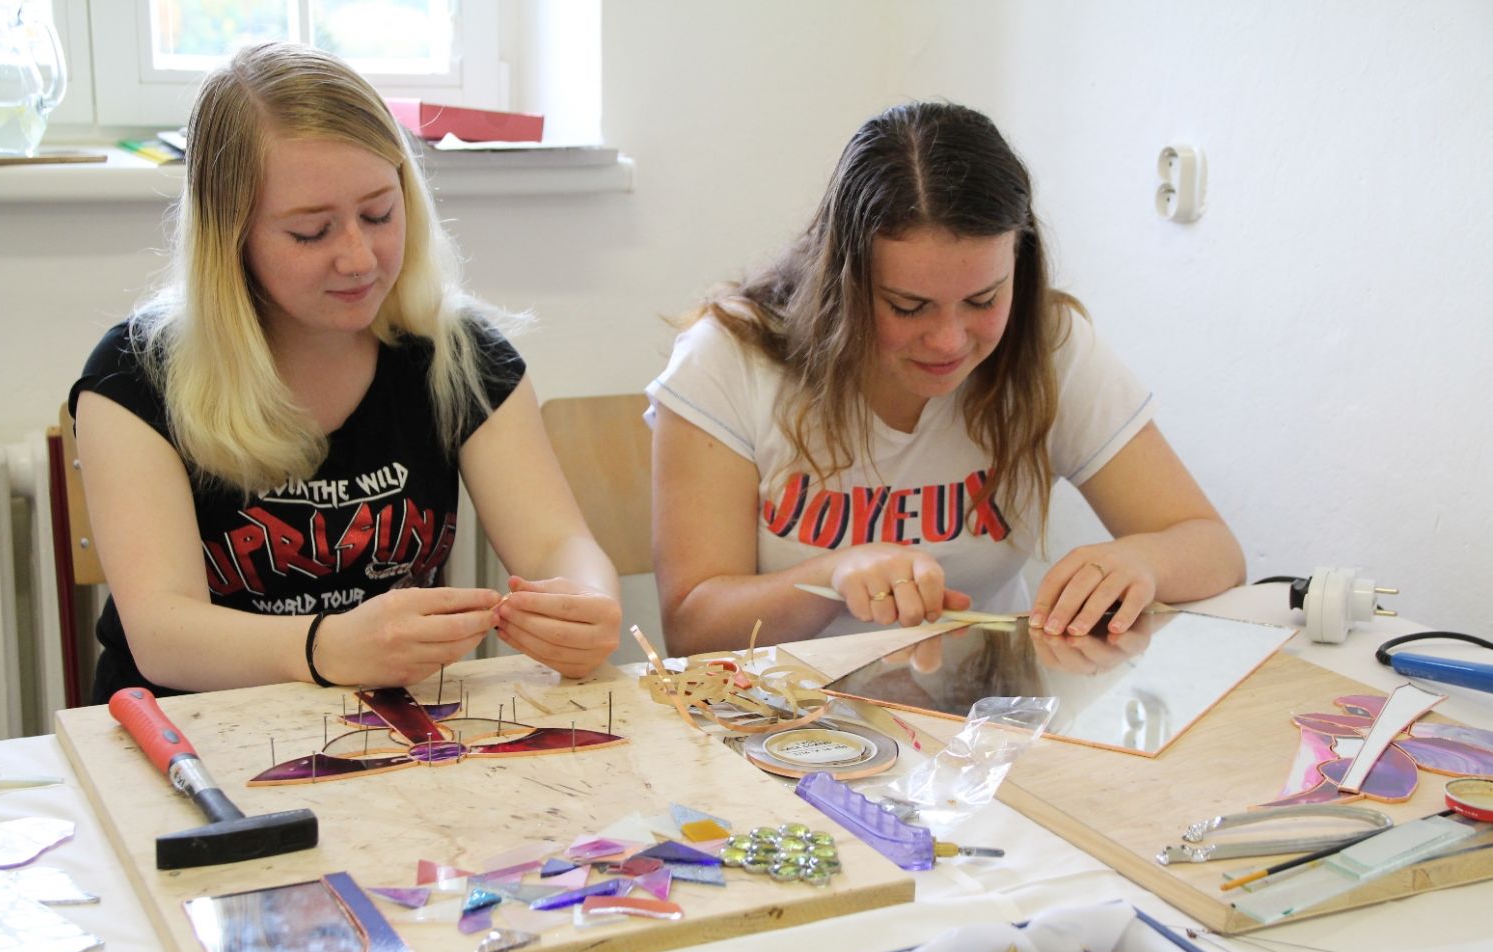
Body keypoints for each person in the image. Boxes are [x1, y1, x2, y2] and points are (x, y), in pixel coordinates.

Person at [71, 42, 621, 702]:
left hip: (384, 724)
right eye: (311, 232)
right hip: (181, 729)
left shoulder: (459, 355)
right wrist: (329, 645)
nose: (359, 258)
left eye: (379, 213)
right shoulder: (134, 376)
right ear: (231, 238)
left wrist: (586, 602)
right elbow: (163, 635)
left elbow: (556, 543)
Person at [648, 101, 1244, 656]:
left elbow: (1214, 549)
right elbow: (691, 630)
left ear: (1019, 265)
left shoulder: (1048, 344)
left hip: (985, 703)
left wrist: (1143, 561)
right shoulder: (729, 357)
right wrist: (831, 576)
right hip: (782, 710)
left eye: (983, 300)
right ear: (843, 284)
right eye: (908, 307)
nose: (949, 341)